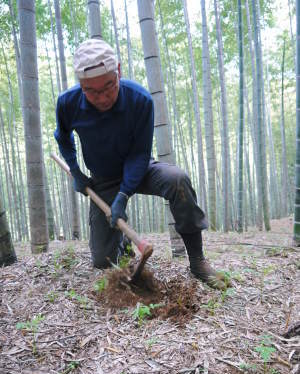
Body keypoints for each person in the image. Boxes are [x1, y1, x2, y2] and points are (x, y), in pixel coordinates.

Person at [54, 38, 228, 290]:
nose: (102, 97)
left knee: (176, 179)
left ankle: (198, 261)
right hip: (102, 177)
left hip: (140, 167)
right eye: (91, 91)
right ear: (81, 85)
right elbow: (63, 138)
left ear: (119, 72)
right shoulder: (68, 103)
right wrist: (77, 171)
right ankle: (121, 244)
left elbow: (138, 154)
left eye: (109, 87)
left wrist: (124, 195)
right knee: (102, 260)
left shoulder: (140, 100)